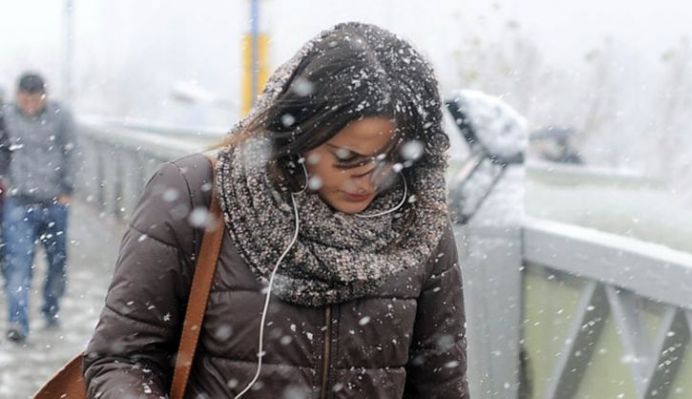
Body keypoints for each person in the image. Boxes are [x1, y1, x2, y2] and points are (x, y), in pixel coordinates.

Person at [84, 22, 469, 398]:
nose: (366, 181)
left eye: (390, 160)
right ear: (301, 134)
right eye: (348, 159)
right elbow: (122, 358)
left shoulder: (417, 222)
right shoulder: (196, 193)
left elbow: (441, 385)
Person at [0, 72, 77, 343]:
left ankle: (50, 308)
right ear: (17, 95)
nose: (30, 102)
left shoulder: (61, 117)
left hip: (55, 201)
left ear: (44, 95)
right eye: (25, 97)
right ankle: (18, 322)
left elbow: (72, 151)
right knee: (18, 264)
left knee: (57, 262)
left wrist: (68, 188)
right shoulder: (6, 116)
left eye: (35, 97)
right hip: (19, 203)